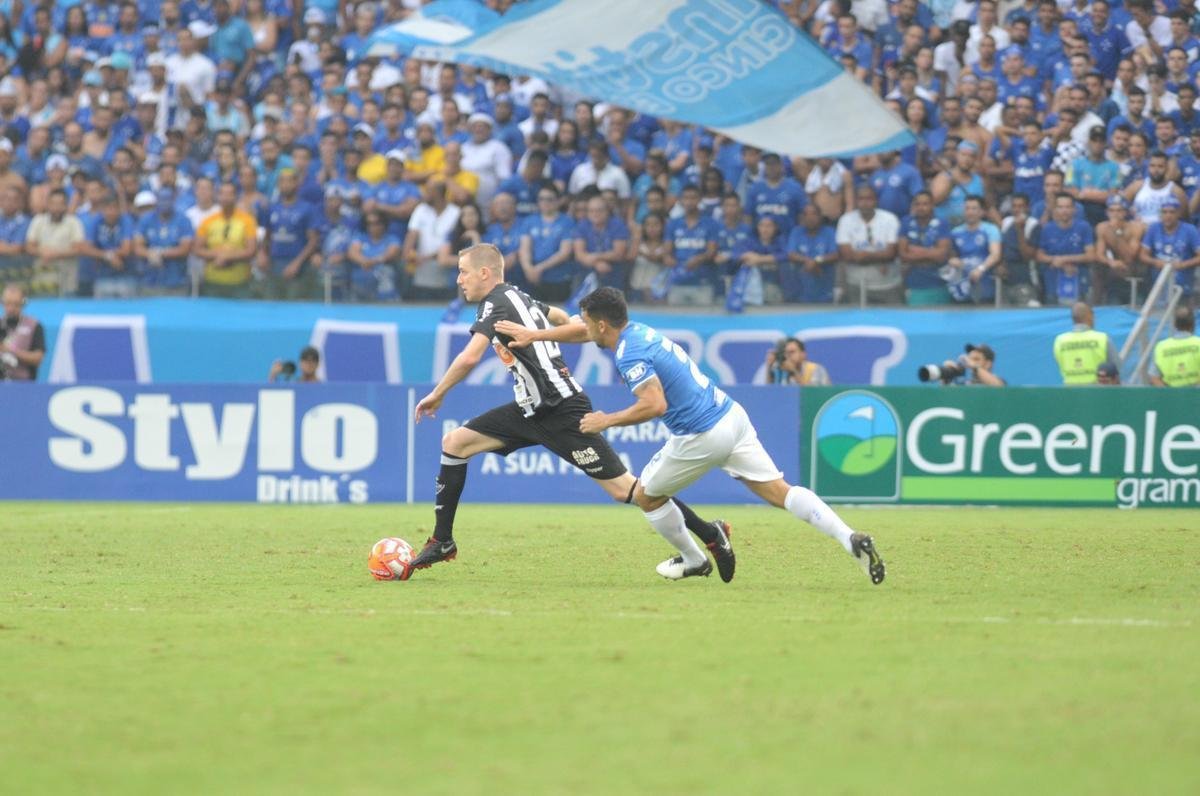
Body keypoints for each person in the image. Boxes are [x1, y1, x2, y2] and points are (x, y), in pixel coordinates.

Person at [496, 286, 884, 585]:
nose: (584, 327)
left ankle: (695, 559)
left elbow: (654, 405)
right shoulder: (637, 332)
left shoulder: (629, 355)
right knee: (780, 491)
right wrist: (536, 335)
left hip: (701, 433)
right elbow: (583, 331)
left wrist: (605, 421)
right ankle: (849, 538)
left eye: (588, 321)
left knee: (646, 495)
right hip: (731, 416)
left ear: (602, 324)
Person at [409, 244, 734, 581]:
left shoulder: (495, 303)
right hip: (529, 410)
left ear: (484, 273)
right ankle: (442, 540)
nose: (459, 279)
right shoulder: (520, 297)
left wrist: (436, 394)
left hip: (562, 411)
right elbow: (564, 320)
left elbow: (470, 357)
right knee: (455, 443)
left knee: (628, 491)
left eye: (463, 271)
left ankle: (710, 533)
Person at [193, 182, 258, 298]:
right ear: (217, 196)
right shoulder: (208, 221)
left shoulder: (248, 221)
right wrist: (218, 254)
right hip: (212, 283)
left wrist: (227, 257)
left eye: (230, 194)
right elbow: (197, 249)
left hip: (239, 284)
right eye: (222, 194)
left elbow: (251, 250)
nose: (226, 198)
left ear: (236, 197)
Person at [1053, 301, 1119, 384]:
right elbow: (1116, 368)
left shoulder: (1060, 341)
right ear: (1089, 316)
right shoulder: (1102, 338)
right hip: (1097, 393)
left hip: (1070, 393)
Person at [0, 283, 45, 380]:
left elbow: (38, 358)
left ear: (23, 303)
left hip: (24, 384)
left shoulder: (34, 326)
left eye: (16, 304)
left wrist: (11, 350)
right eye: (8, 303)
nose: (11, 308)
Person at [1148, 307, 1200, 386]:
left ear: (1174, 324)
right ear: (1193, 324)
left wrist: (1169, 395)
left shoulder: (1161, 347)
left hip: (1172, 396)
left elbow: (1154, 377)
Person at [765, 338, 831, 385]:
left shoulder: (815, 369)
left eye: (792, 352)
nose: (788, 356)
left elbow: (813, 395)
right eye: (785, 353)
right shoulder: (782, 371)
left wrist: (794, 371)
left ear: (803, 354)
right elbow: (770, 394)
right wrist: (769, 367)